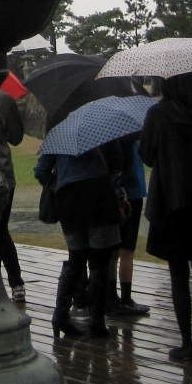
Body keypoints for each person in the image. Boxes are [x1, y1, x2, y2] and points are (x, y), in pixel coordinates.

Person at [140, 72, 192, 362]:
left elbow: (147, 155)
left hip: (171, 200)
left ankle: (186, 341)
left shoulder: (158, 114)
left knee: (178, 275)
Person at [35, 138, 128, 338]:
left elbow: (41, 171)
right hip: (99, 197)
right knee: (100, 263)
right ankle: (97, 321)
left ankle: (60, 315)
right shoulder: (103, 129)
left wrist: (58, 183)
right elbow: (118, 163)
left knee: (76, 259)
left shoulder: (59, 134)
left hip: (69, 199)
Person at [0, 79, 27, 301]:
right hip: (1, 174)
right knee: (0, 230)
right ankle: (15, 282)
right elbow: (16, 137)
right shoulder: (3, 100)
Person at [110, 137, 150, 317]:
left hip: (111, 194)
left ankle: (110, 297)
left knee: (112, 249)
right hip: (132, 193)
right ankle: (126, 298)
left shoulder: (108, 135)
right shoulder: (133, 134)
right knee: (127, 250)